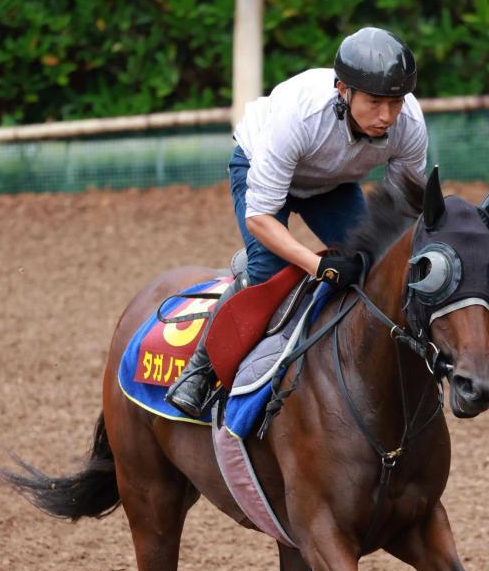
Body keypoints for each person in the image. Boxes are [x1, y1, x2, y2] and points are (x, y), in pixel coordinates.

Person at [166, 26, 428, 418]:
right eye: (375, 102)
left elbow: (401, 208)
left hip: (332, 185)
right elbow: (260, 218)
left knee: (379, 265)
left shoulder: (409, 123)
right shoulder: (300, 116)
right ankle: (199, 371)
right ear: (343, 90)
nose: (387, 116)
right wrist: (317, 264)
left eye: (396, 102)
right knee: (269, 270)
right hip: (260, 170)